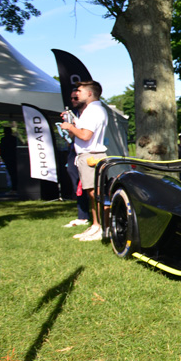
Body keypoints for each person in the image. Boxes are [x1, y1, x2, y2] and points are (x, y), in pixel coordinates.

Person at [59, 80, 108, 242]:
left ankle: (103, 227)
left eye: (79, 91)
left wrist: (70, 128)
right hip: (89, 156)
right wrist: (73, 124)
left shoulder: (93, 112)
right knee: (92, 193)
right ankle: (96, 225)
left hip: (91, 157)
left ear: (89, 93)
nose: (76, 94)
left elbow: (86, 136)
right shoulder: (92, 111)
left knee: (96, 194)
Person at [62, 87, 90, 228]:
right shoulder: (74, 114)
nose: (73, 101)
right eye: (72, 98)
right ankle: (83, 215)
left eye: (76, 98)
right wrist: (69, 128)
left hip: (88, 153)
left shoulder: (90, 113)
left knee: (88, 186)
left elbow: (85, 135)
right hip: (75, 152)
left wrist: (72, 127)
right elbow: (74, 137)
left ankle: (88, 217)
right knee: (77, 182)